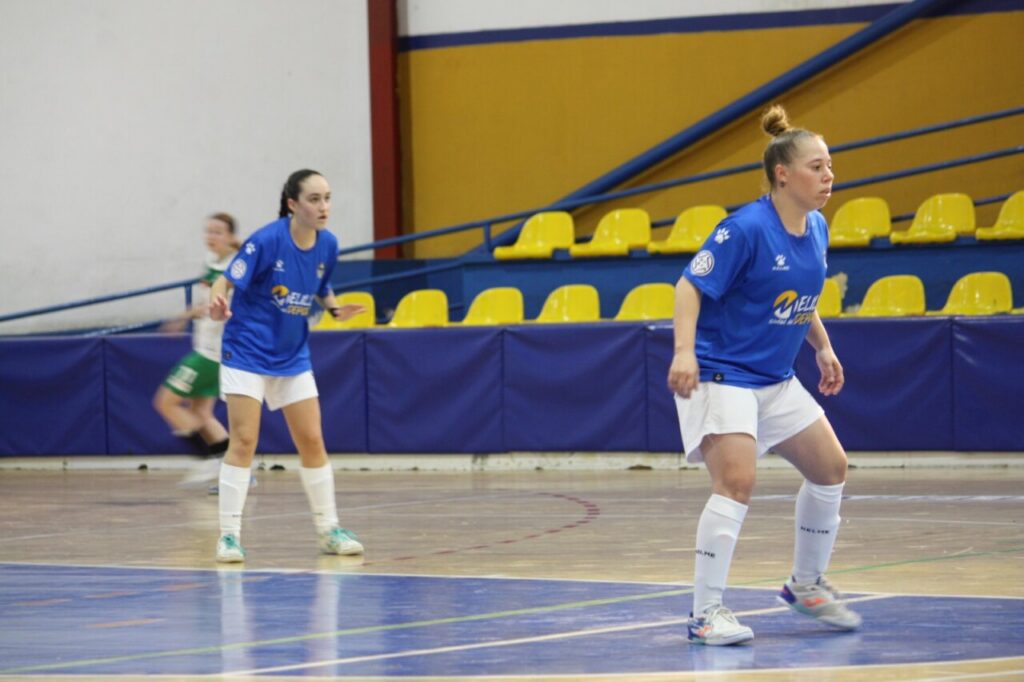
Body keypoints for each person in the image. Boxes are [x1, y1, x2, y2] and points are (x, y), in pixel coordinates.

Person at [667, 105, 861, 646]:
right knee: (737, 482)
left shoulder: (817, 226)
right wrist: (684, 353)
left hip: (774, 377)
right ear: (783, 174)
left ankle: (806, 586)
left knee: (830, 467)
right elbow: (689, 287)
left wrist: (821, 346)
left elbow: (799, 295)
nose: (829, 177)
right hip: (723, 373)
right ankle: (706, 613)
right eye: (817, 167)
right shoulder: (745, 229)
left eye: (830, 167)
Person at [207, 169, 365, 563]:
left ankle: (329, 529)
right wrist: (217, 301)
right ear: (293, 204)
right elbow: (225, 281)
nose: (323, 206)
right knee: (244, 441)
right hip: (247, 352)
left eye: (327, 197)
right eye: (314, 199)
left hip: (292, 356)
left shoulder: (328, 244)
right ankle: (228, 536)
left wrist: (334, 309)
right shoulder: (266, 240)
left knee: (312, 440)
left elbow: (321, 284)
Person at [153, 213, 239, 487]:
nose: (211, 237)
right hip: (207, 348)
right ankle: (236, 472)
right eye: (209, 231)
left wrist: (184, 315)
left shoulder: (233, 269)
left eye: (218, 232)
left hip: (210, 354)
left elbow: (213, 306)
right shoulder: (212, 263)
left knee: (165, 402)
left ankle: (204, 460)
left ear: (230, 237)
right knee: (202, 413)